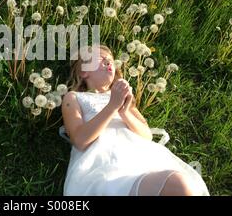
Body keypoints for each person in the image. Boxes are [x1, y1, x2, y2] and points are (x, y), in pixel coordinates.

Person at [62, 44, 210, 196]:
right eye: (100, 59)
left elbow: (147, 135)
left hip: (141, 162)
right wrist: (112, 107)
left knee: (182, 186)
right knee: (179, 184)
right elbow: (80, 140)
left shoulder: (124, 98)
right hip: (106, 167)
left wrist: (125, 112)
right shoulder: (74, 97)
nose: (108, 62)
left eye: (110, 60)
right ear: (84, 71)